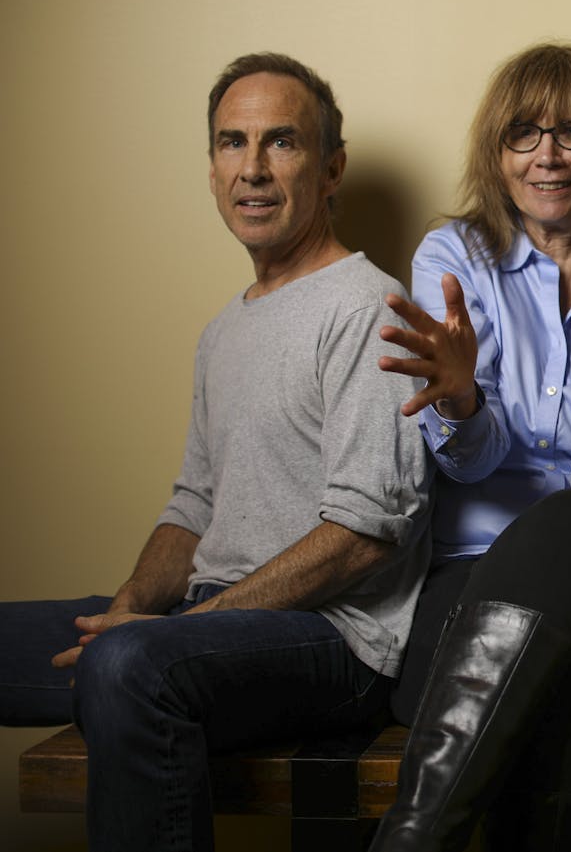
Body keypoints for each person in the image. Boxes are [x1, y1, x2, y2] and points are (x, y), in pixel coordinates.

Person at [0, 53, 433, 852]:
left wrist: (177, 628)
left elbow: (364, 533)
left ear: (331, 167)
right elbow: (195, 505)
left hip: (336, 642)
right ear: (211, 171)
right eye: (233, 143)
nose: (254, 169)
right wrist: (135, 605)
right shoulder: (223, 331)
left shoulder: (372, 308)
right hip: (219, 622)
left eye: (282, 143)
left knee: (130, 665)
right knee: (89, 645)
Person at [368, 42, 571, 852]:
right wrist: (465, 398)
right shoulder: (455, 259)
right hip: (470, 580)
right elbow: (465, 460)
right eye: (523, 133)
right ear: (496, 153)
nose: (547, 153)